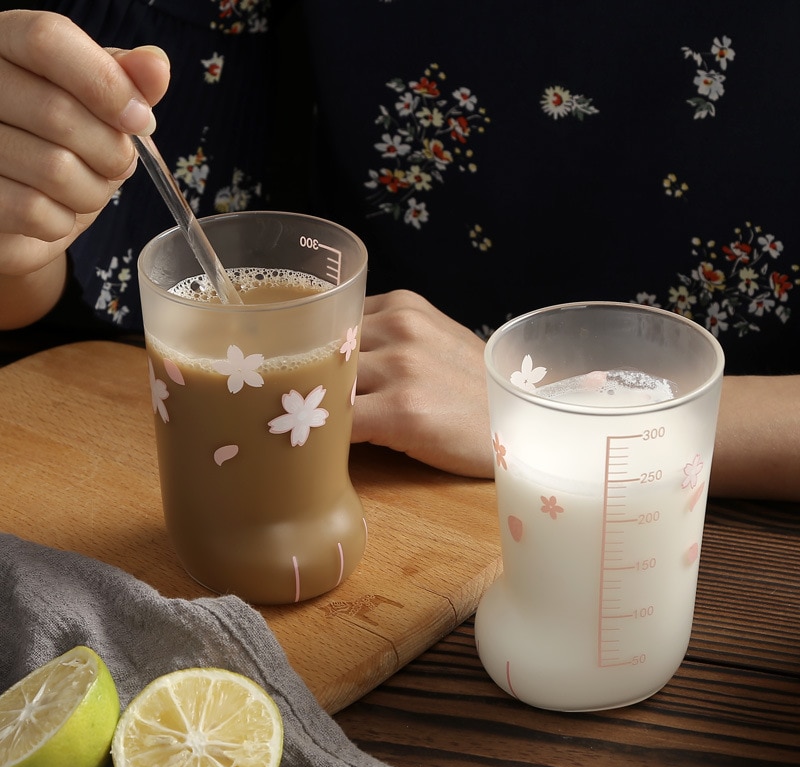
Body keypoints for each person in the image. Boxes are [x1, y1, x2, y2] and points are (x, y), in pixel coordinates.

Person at [0, 3, 798, 501]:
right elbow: (103, 250)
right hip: (372, 490)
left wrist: (546, 418)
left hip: (714, 539)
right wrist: (27, 213)